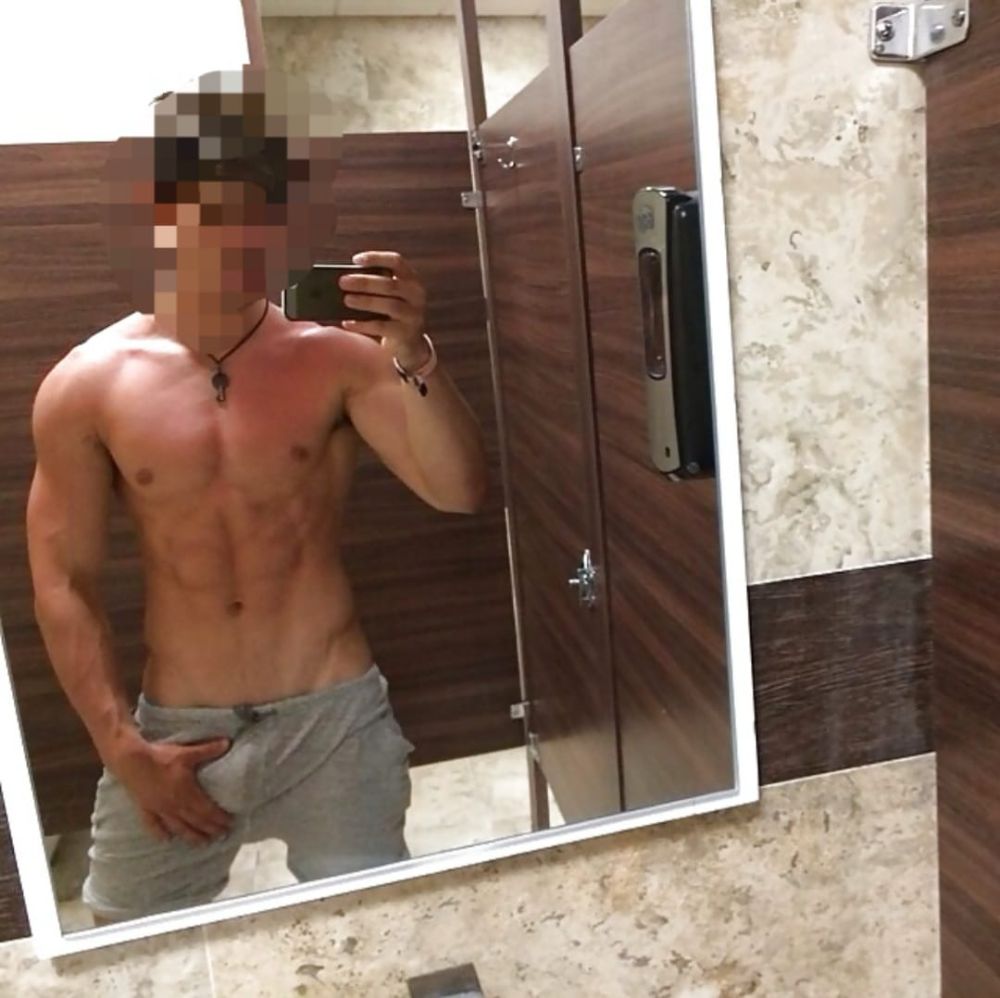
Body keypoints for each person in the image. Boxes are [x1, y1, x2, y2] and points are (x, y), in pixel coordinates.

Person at [24, 68, 489, 924]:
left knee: (376, 933)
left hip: (335, 717)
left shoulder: (340, 357)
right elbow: (64, 583)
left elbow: (459, 491)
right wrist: (121, 747)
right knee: (124, 942)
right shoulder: (88, 385)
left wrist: (416, 356)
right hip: (175, 732)